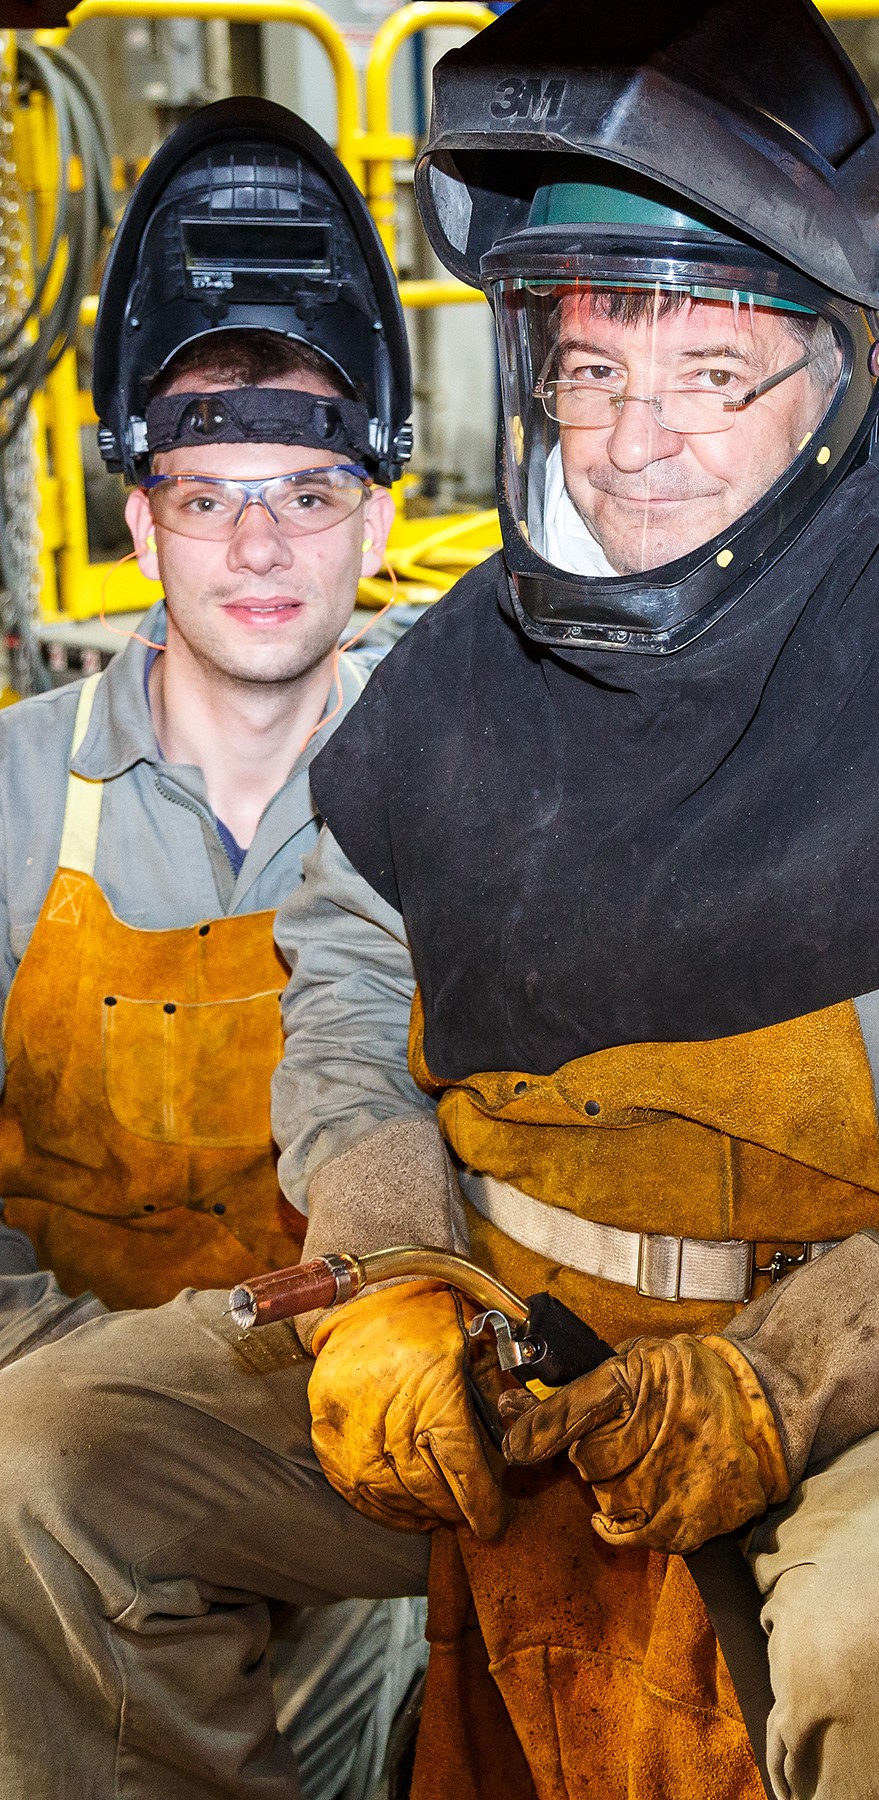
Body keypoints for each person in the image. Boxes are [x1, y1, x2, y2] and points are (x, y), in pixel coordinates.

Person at [0, 4, 879, 1798]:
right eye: (591, 368)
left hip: (867, 1354)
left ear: (847, 370)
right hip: (498, 1319)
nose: (633, 440)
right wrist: (398, 1272)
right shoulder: (457, 675)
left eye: (709, 372)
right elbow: (342, 999)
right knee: (53, 1457)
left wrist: (785, 1379)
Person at [0, 99, 424, 1797]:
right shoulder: (21, 797)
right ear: (143, 515)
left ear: (381, 519)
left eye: (310, 489)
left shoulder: (472, 793)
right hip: (45, 1464)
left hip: (381, 1442)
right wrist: (80, 1406)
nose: (260, 542)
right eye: (212, 489)